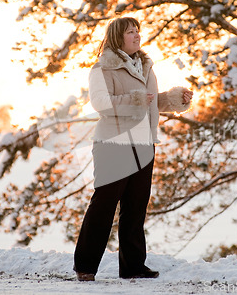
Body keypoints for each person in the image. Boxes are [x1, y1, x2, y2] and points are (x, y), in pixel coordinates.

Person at [73, 17, 193, 282]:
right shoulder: (102, 68)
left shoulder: (145, 66)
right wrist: (136, 100)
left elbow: (151, 103)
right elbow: (101, 103)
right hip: (113, 145)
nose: (137, 35)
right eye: (131, 32)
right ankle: (85, 266)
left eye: (138, 31)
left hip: (143, 144)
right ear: (118, 37)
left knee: (136, 207)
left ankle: (133, 267)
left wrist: (174, 99)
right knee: (104, 205)